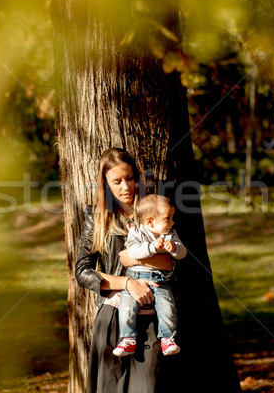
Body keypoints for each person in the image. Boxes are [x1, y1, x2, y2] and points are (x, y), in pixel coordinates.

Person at [75, 147, 175, 392]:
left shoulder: (154, 212)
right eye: (116, 181)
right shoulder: (97, 217)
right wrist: (128, 283)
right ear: (105, 184)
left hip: (153, 319)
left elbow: (172, 263)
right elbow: (82, 271)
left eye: (129, 178)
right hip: (112, 320)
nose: (125, 187)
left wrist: (133, 260)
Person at [113, 194, 186, 357]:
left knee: (167, 307)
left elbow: (182, 253)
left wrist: (174, 248)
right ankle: (128, 338)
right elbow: (132, 251)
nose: (172, 222)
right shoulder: (136, 233)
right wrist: (152, 247)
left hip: (161, 280)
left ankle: (167, 338)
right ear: (149, 221)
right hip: (136, 279)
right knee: (126, 307)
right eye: (168, 218)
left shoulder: (170, 235)